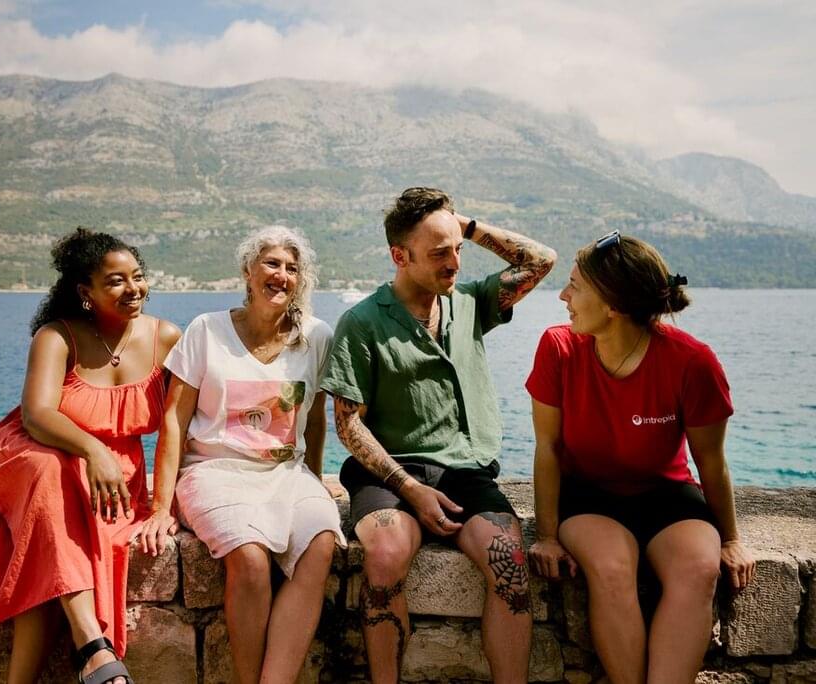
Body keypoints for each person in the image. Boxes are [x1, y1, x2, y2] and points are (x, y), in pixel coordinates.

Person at [0, 228, 180, 684]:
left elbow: (178, 426)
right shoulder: (57, 337)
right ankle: (92, 645)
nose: (133, 288)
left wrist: (162, 507)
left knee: (44, 551)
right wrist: (93, 448)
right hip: (33, 453)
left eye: (138, 276)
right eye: (116, 281)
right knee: (50, 472)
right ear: (85, 291)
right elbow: (37, 416)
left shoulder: (166, 338)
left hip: (112, 474)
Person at [321, 187, 556, 683]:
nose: (454, 263)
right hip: (388, 472)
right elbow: (348, 424)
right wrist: (410, 488)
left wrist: (460, 224)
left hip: (465, 469)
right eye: (438, 253)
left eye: (458, 250)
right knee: (384, 558)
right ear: (399, 256)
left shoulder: (469, 302)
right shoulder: (361, 322)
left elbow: (540, 260)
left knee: (510, 564)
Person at [526, 230, 756, 684]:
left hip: (667, 494)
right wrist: (547, 535)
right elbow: (547, 448)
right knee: (612, 567)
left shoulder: (693, 362)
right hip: (588, 495)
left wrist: (730, 539)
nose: (563, 296)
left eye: (575, 286)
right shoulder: (559, 348)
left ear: (613, 305)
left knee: (699, 568)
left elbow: (711, 462)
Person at [133, 225, 346, 684]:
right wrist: (160, 506)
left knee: (321, 543)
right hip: (212, 471)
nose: (281, 275)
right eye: (271, 263)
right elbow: (174, 419)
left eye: (292, 268)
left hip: (287, 474)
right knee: (248, 556)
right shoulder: (206, 330)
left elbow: (314, 419)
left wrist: (314, 477)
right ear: (248, 271)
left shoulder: (316, 336)